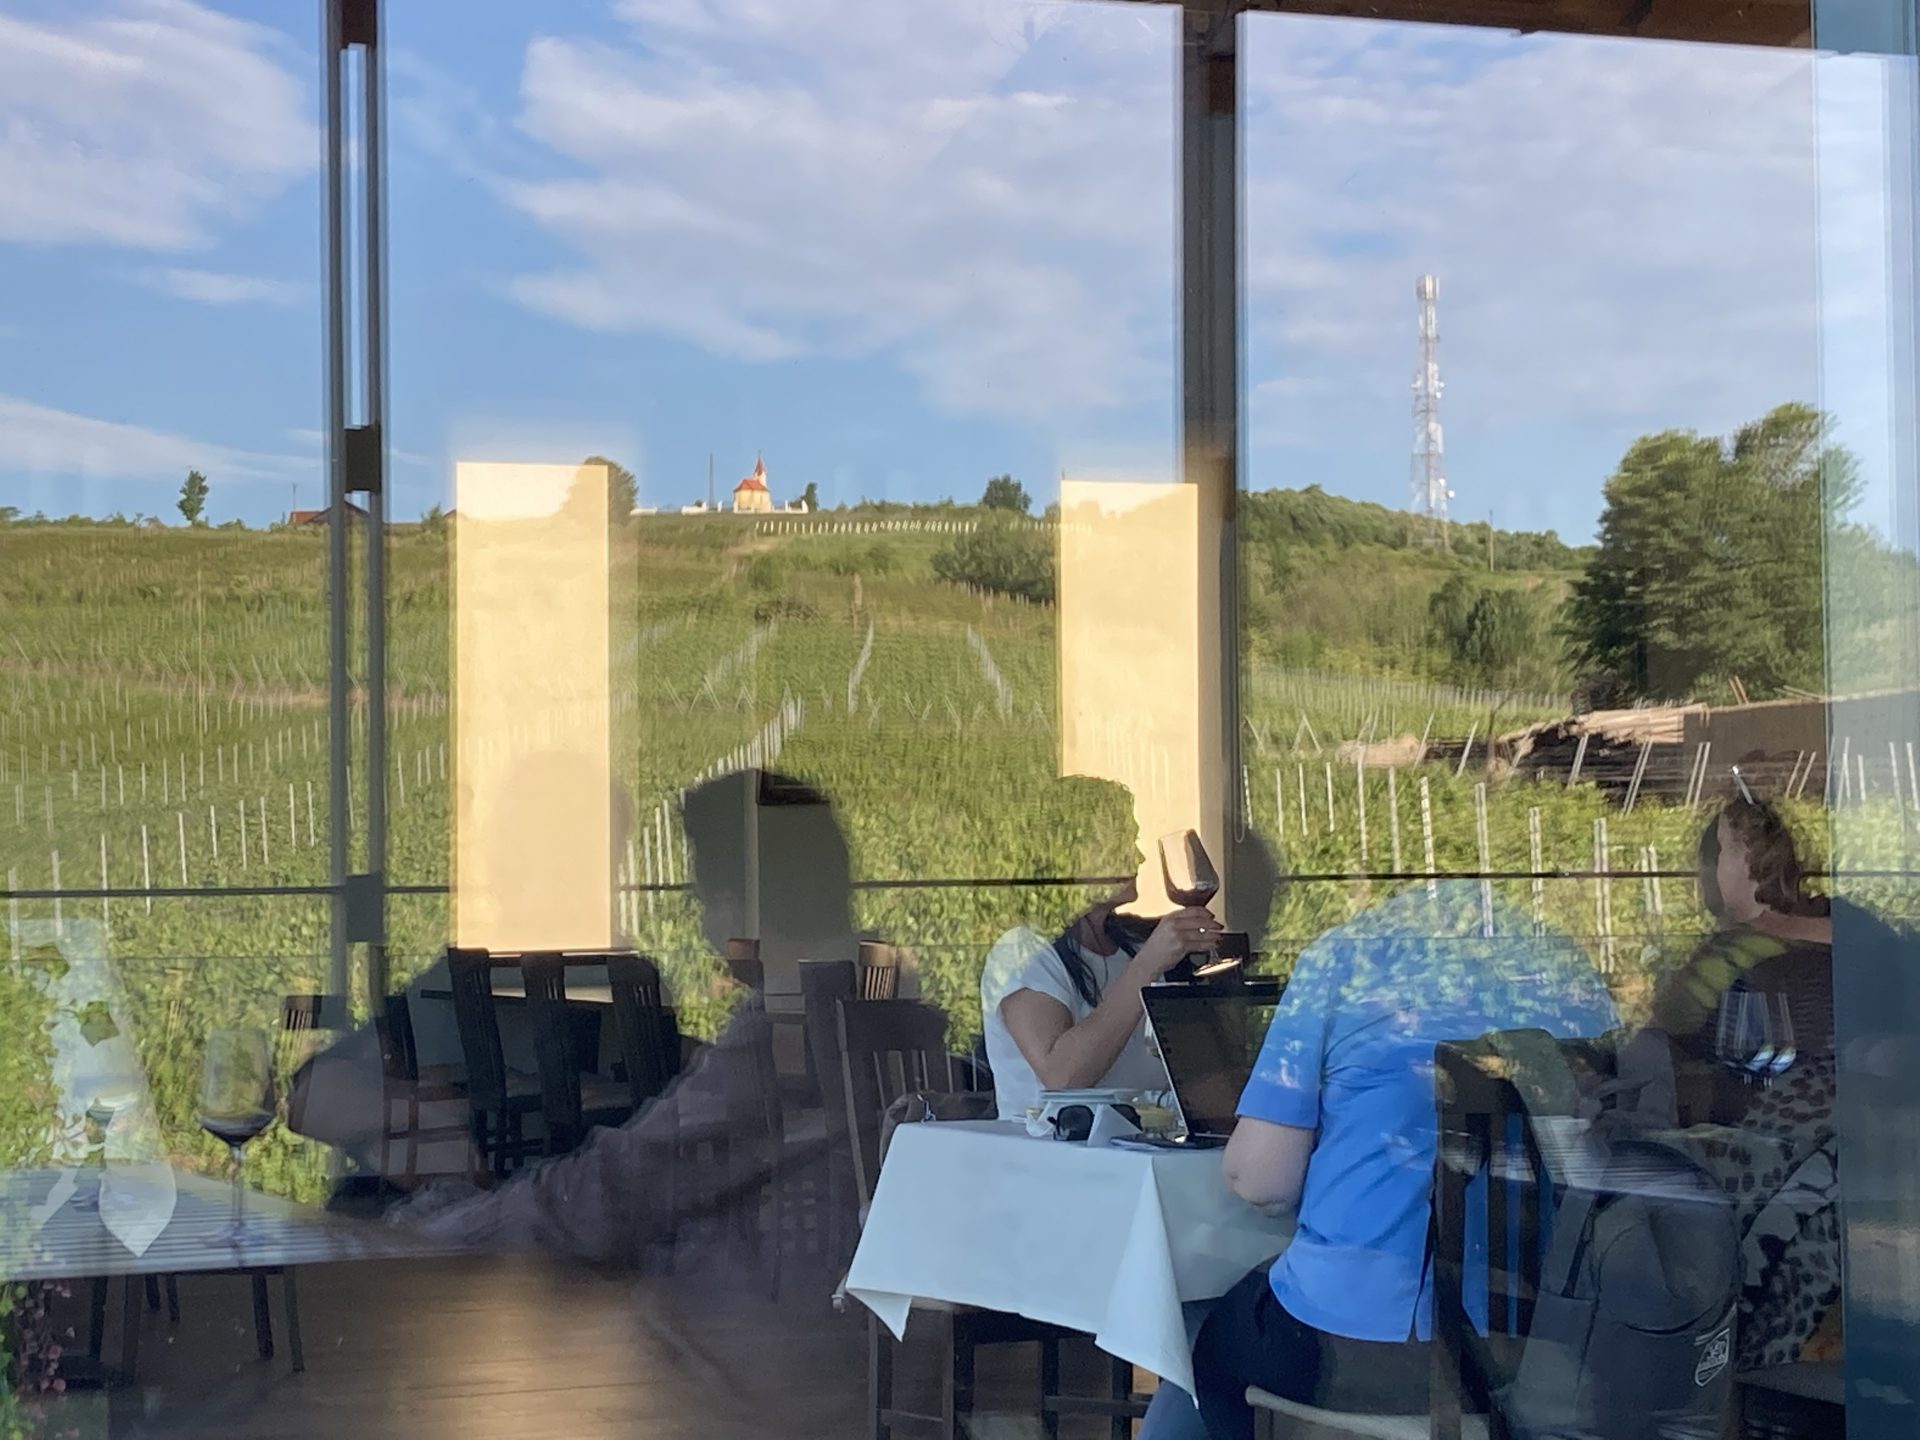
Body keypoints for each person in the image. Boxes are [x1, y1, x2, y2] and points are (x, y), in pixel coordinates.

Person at [1179, 882, 1617, 1440]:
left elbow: (1263, 1184)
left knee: (1208, 1347)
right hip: (1542, 1346)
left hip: (1364, 1345)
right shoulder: (1561, 961)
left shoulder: (1346, 960)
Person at [1648, 795, 1841, 1372]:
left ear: (1742, 863)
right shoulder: (1852, 928)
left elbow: (1664, 1030)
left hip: (1773, 1128)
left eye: (1718, 852)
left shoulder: (1729, 954)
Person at [979, 783, 1221, 1122]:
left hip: (1143, 1143)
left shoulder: (1131, 944)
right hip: (1054, 1150)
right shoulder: (1022, 951)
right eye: (1119, 840)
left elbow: (1196, 1073)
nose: (1138, 857)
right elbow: (1062, 1078)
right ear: (1069, 852)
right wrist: (1147, 966)